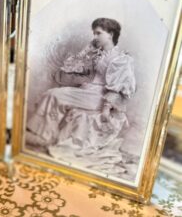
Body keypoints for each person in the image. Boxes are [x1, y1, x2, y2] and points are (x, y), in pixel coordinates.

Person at [26, 18, 136, 177]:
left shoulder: (121, 58)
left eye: (99, 33)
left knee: (55, 94)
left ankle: (45, 136)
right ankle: (45, 134)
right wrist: (87, 51)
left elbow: (118, 87)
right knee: (52, 93)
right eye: (94, 33)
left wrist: (106, 108)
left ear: (111, 34)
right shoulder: (97, 53)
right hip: (87, 90)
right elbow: (73, 67)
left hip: (99, 96)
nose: (95, 36)